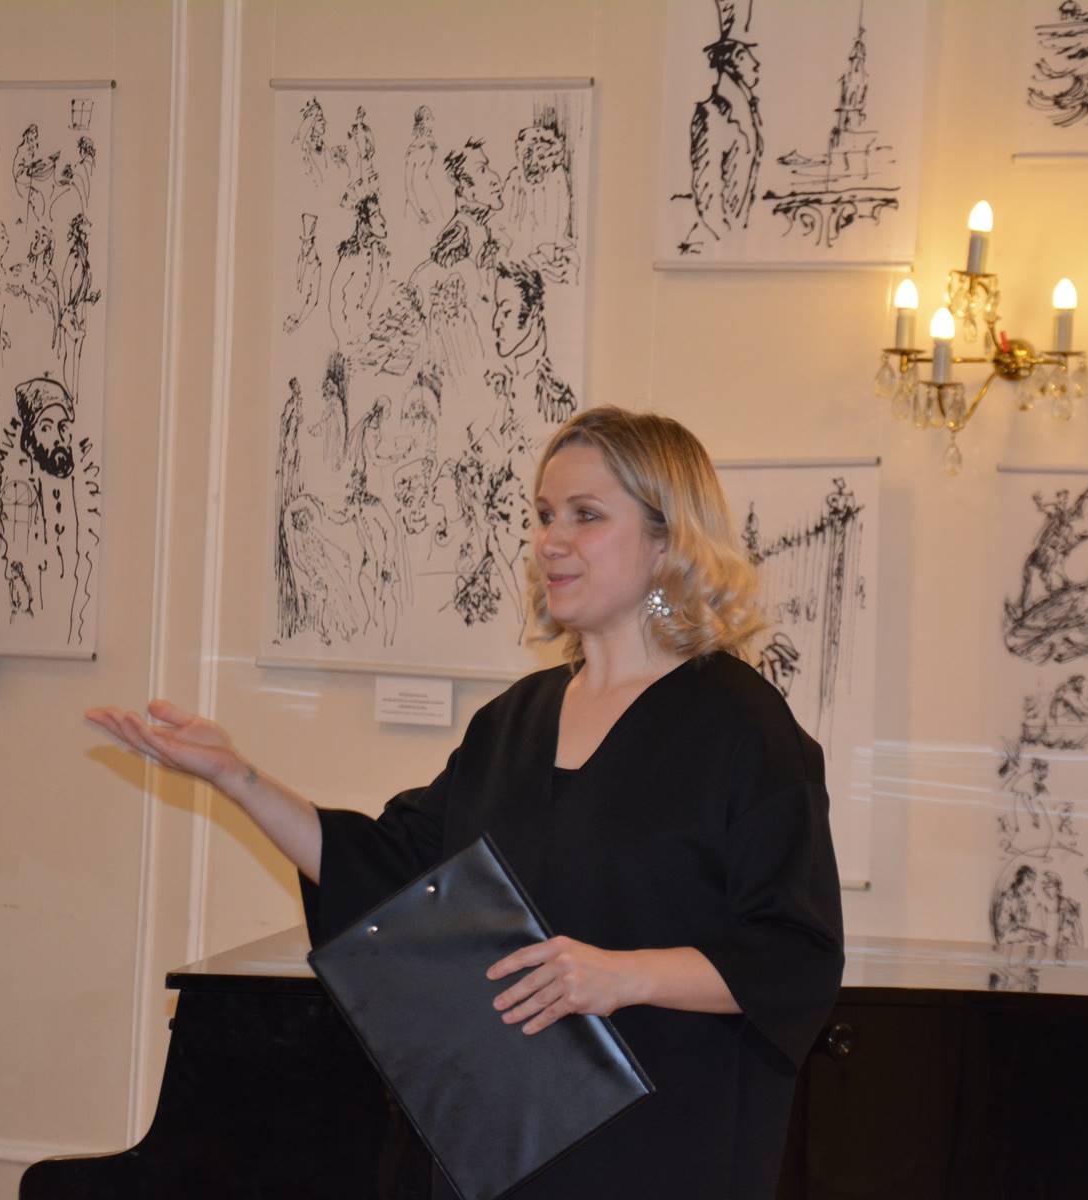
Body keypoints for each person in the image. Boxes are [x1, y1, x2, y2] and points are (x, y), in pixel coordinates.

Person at [87, 406, 845, 1198]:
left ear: (667, 541)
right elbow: (390, 875)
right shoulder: (513, 722)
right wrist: (238, 779)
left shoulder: (741, 726)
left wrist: (622, 976)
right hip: (500, 1150)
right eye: (545, 515)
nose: (550, 541)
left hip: (659, 1151)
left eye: (586, 515)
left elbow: (794, 958)